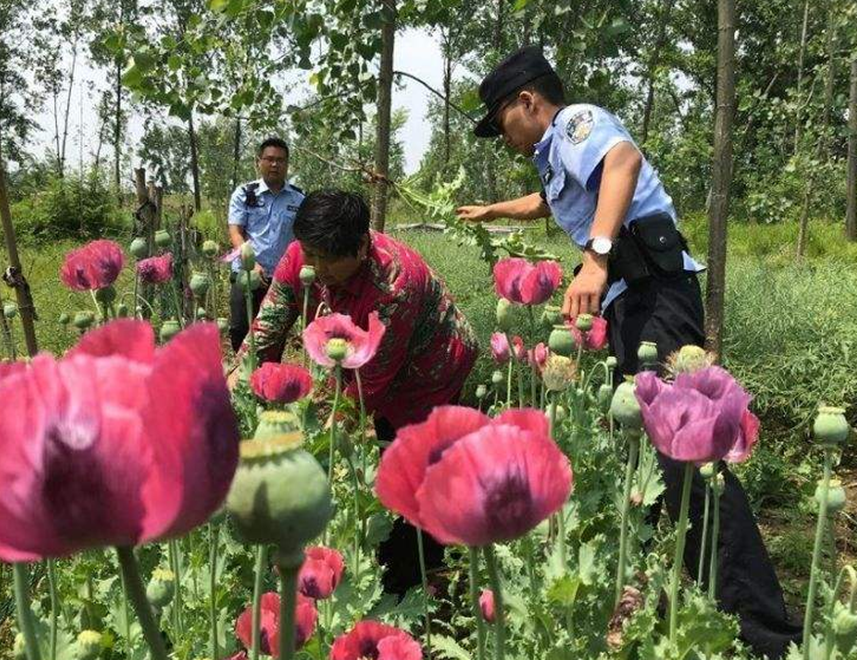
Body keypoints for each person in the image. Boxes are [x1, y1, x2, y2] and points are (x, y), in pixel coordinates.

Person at [457, 46, 801, 659]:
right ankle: (693, 598)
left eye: (500, 121)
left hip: (656, 296)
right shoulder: (552, 154)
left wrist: (594, 256)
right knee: (651, 463)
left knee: (691, 461)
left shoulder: (575, 122)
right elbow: (549, 201)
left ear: (527, 102)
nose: (502, 138)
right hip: (630, 304)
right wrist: (493, 211)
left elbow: (623, 160)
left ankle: (766, 635)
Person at [234, 189, 479, 594]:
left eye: (330, 259)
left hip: (430, 370)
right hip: (364, 362)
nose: (318, 267)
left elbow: (360, 389)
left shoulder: (395, 285)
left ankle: (415, 583)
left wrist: (305, 444)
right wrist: (239, 387)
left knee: (412, 468)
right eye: (311, 254)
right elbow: (267, 329)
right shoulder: (301, 257)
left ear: (362, 246)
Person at [227, 137, 305, 351]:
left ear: (287, 164)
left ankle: (269, 380)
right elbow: (235, 231)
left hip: (280, 280)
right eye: (269, 159)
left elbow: (302, 239)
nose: (274, 164)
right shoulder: (245, 193)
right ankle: (240, 378)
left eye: (280, 160)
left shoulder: (299, 199)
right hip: (245, 274)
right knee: (240, 328)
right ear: (258, 162)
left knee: (274, 335)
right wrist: (251, 263)